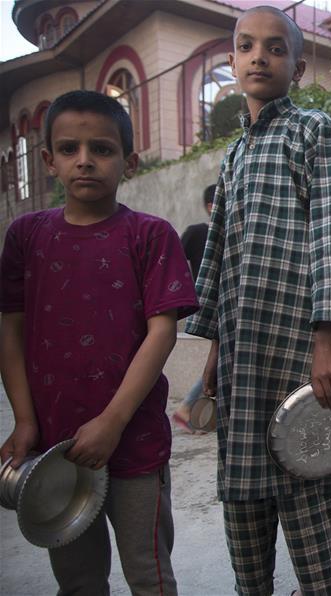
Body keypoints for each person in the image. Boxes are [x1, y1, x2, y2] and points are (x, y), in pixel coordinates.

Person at [185, 8, 331, 594]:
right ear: (232, 62)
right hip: (242, 356)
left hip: (300, 352)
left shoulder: (314, 131)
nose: (259, 56)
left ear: (299, 67)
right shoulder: (233, 157)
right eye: (246, 46)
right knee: (245, 508)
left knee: (310, 498)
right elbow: (218, 256)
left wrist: (328, 338)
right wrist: (207, 356)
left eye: (275, 48)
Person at [0, 89, 198, 594]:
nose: (84, 160)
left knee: (149, 573)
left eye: (102, 149)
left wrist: (112, 421)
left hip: (134, 443)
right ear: (48, 160)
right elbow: (11, 329)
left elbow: (163, 330)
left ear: (128, 161)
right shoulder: (26, 237)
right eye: (69, 149)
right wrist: (24, 420)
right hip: (54, 448)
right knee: (78, 579)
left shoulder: (149, 235)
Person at [172, 184, 217, 434]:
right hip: (210, 304)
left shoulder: (230, 231)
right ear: (211, 206)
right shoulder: (198, 232)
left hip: (225, 302)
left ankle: (196, 412)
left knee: (221, 358)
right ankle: (188, 409)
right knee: (222, 358)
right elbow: (174, 259)